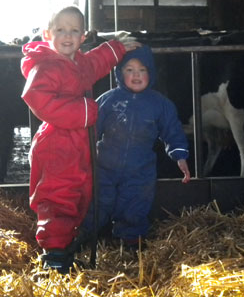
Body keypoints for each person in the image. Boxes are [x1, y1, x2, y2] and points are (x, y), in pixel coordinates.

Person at [20, 6, 141, 273]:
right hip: (56, 144)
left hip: (77, 142)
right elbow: (37, 98)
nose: (67, 35)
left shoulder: (77, 61)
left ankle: (65, 248)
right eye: (60, 29)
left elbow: (94, 63)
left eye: (74, 30)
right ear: (46, 34)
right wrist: (85, 111)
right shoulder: (46, 65)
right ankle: (54, 257)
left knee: (78, 193)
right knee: (58, 196)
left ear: (83, 36)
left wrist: (116, 49)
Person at [81, 45, 191, 250]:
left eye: (142, 70)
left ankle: (130, 243)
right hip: (105, 166)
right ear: (119, 73)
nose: (136, 75)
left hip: (140, 169)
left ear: (151, 72)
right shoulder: (108, 100)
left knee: (135, 204)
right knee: (98, 201)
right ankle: (85, 237)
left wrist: (180, 156)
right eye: (129, 70)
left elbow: (172, 132)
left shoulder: (160, 104)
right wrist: (83, 154)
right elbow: (91, 129)